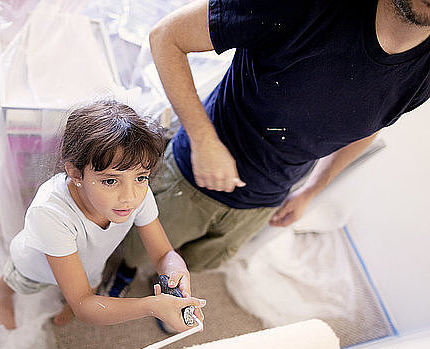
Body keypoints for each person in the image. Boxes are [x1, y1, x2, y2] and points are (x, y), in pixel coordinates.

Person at [122, 0, 430, 271]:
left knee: (199, 262)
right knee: (137, 250)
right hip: (191, 179)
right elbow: (166, 36)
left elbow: (371, 125)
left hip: (265, 201)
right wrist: (204, 140)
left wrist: (312, 190)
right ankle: (127, 270)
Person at [0, 99, 206, 332]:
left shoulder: (138, 195)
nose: (130, 197)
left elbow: (164, 253)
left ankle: (71, 298)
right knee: (14, 283)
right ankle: (2, 299)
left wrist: (176, 271)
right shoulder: (49, 214)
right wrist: (150, 306)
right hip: (35, 267)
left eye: (141, 177)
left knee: (85, 290)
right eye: (110, 180)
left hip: (91, 263)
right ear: (75, 172)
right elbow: (85, 308)